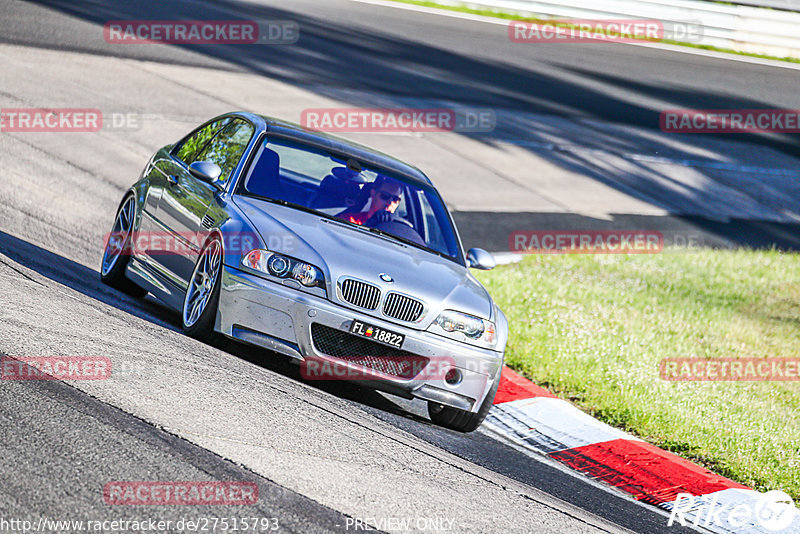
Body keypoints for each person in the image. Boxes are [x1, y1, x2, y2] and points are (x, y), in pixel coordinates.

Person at [336, 175, 402, 226]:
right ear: (373, 194)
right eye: (385, 196)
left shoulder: (400, 230)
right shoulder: (349, 220)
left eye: (395, 199)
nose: (390, 203)